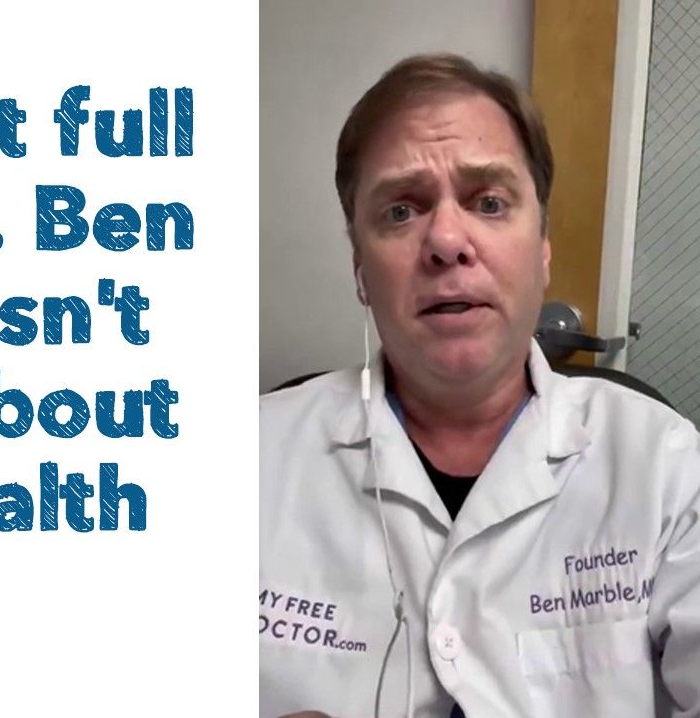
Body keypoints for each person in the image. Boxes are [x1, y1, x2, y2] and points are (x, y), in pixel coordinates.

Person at [260, 53, 700, 717]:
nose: (446, 240)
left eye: (489, 202)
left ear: (543, 250)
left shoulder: (666, 467)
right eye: (401, 211)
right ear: (360, 270)